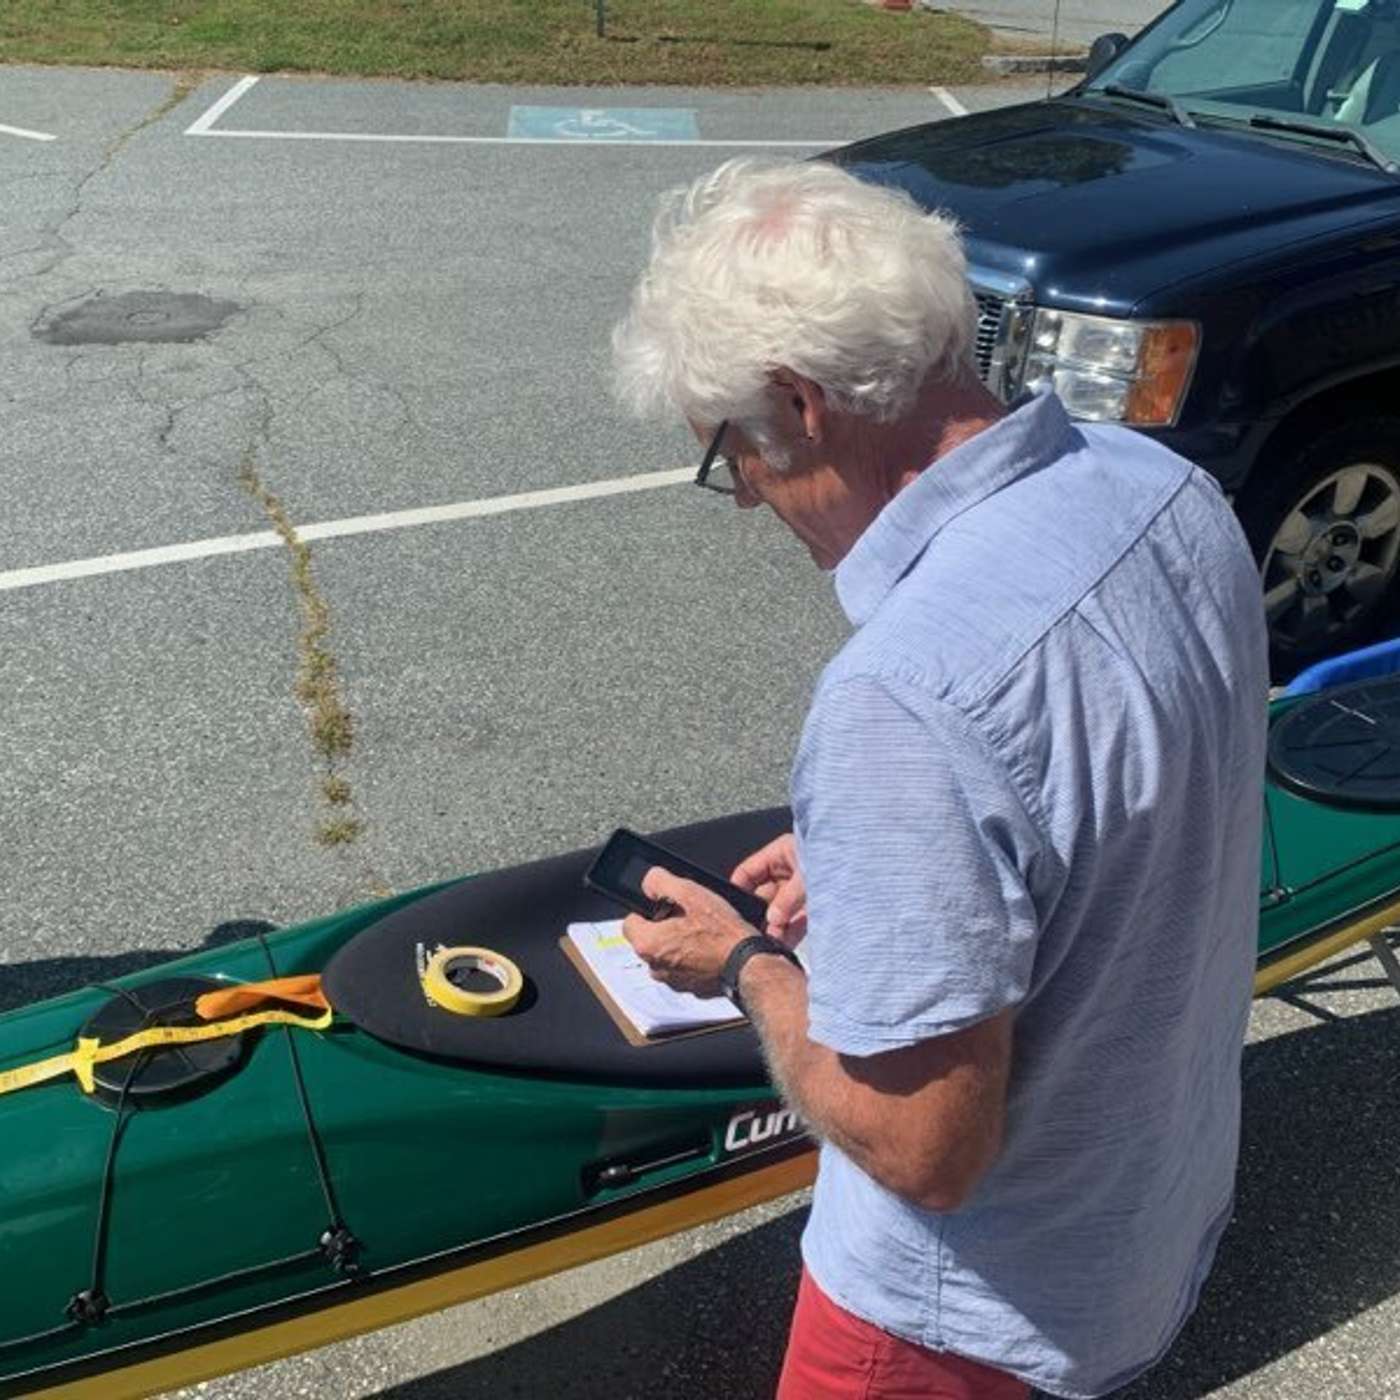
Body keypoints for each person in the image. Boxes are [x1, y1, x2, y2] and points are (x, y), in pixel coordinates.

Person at [610, 158, 1269, 1399]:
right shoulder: (1164, 489)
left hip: (950, 1326)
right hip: (1142, 1217)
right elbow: (1124, 798)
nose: (748, 498)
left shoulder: (905, 691)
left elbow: (922, 1147)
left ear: (799, 405)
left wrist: (747, 964)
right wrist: (892, 869)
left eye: (730, 455)